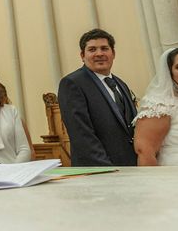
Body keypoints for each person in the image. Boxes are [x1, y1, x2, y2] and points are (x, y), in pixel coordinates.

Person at [58, 28, 137, 166]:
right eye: (92, 49)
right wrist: (106, 169)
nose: (99, 53)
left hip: (129, 166)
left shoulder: (121, 84)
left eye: (104, 48)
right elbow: (81, 134)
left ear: (113, 53)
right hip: (99, 169)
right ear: (82, 55)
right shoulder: (72, 83)